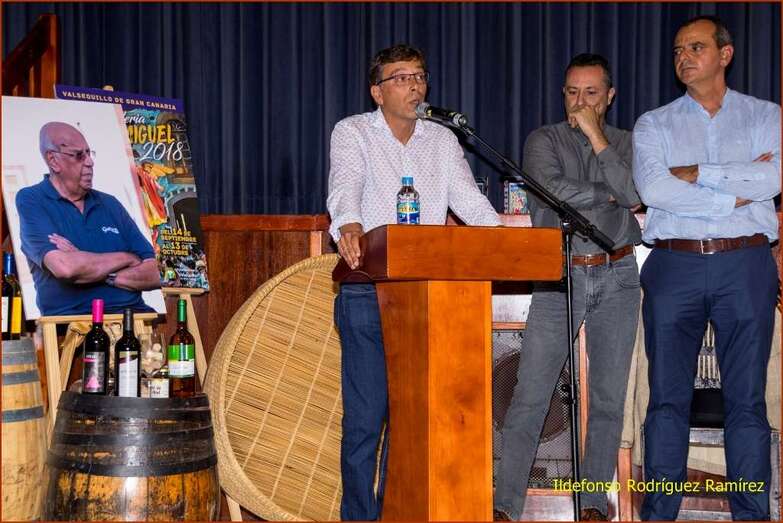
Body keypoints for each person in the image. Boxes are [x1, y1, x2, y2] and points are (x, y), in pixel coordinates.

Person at [326, 44, 501, 520]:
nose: (414, 86)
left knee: (420, 420)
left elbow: (471, 204)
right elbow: (345, 187)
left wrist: (504, 240)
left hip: (429, 295)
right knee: (367, 421)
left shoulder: (442, 140)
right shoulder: (354, 132)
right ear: (377, 92)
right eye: (401, 78)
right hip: (369, 288)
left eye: (419, 76)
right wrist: (349, 224)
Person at [632, 15, 780, 520]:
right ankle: (659, 513)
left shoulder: (766, 115)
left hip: (747, 262)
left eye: (695, 47)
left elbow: (775, 175)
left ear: (725, 54)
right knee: (667, 403)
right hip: (675, 264)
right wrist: (735, 192)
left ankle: (752, 514)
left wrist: (698, 174)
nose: (684, 57)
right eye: (677, 50)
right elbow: (653, 191)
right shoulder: (654, 123)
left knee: (747, 402)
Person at [493, 53, 642, 522]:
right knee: (530, 393)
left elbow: (635, 192)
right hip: (561, 274)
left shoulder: (627, 141)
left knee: (607, 398)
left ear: (610, 97)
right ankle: (503, 506)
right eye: (572, 93)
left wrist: (599, 141)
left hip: (619, 275)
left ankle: (594, 505)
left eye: (591, 93)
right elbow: (549, 191)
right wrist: (608, 192)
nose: (579, 103)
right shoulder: (543, 139)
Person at [17, 121, 160, 316]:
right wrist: (128, 258)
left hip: (134, 319)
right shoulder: (32, 199)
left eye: (89, 153)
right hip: (73, 327)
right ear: (53, 160)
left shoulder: (110, 204)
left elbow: (157, 272)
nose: (90, 162)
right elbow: (65, 268)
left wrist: (92, 268)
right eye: (78, 155)